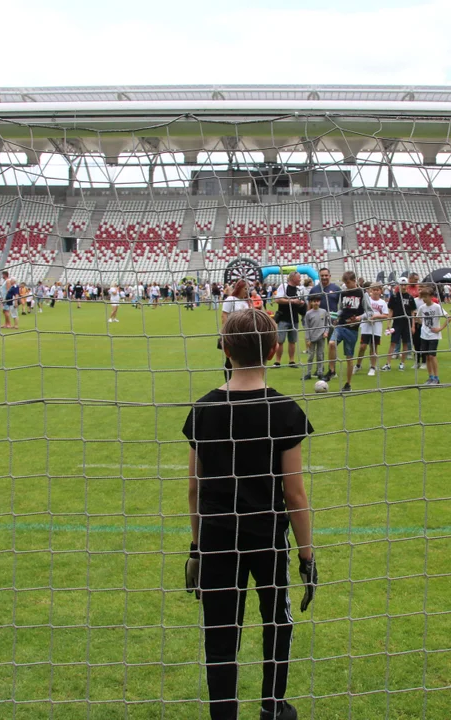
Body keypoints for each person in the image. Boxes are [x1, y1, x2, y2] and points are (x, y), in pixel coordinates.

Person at [183, 309, 316, 720]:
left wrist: (197, 549)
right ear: (275, 350)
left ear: (224, 348)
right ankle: (273, 706)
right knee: (277, 620)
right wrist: (308, 556)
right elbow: (294, 494)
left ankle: (224, 713)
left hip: (219, 539)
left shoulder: (203, 410)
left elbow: (194, 490)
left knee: (221, 633)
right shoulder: (285, 410)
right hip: (267, 537)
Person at [325, 271, 364, 391]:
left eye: (348, 282)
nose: (346, 285)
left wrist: (359, 318)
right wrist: (337, 316)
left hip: (352, 329)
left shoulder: (361, 293)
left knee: (349, 358)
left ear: (354, 280)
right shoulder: (343, 293)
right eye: (345, 283)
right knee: (331, 343)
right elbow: (341, 308)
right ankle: (331, 370)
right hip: (341, 325)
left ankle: (348, 384)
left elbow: (369, 312)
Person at [415, 286, 449, 386]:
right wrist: (423, 324)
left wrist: (440, 328)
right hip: (424, 335)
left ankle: (436, 378)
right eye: (422, 297)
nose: (424, 299)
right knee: (427, 357)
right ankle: (430, 377)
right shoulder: (422, 308)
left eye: (425, 297)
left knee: (432, 356)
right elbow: (417, 318)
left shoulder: (437, 307)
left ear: (431, 296)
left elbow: (448, 318)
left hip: (434, 336)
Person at [219, 280, 253, 380]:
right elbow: (224, 314)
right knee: (230, 358)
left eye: (248, 289)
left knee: (244, 358)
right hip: (232, 333)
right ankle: (229, 382)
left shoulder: (247, 301)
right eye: (245, 289)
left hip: (245, 333)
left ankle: (243, 380)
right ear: (239, 288)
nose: (247, 291)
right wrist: (226, 330)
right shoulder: (231, 299)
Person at [273, 272, 306, 368]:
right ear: (293, 278)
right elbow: (277, 300)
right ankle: (277, 362)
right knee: (280, 341)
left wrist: (301, 303)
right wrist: (292, 301)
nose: (300, 279)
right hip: (283, 318)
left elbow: (299, 302)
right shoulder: (283, 286)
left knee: (292, 341)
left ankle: (291, 361)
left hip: (294, 318)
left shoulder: (299, 289)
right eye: (299, 277)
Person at [357, 283, 389, 377]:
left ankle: (372, 367)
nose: (375, 291)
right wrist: (367, 318)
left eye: (377, 290)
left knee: (374, 347)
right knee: (362, 346)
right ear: (370, 290)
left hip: (376, 329)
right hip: (366, 327)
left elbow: (385, 315)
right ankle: (358, 365)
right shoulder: (367, 300)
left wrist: (376, 316)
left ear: (380, 291)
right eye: (373, 290)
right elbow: (362, 312)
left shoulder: (383, 303)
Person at [384, 278, 415, 371]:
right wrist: (388, 322)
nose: (403, 286)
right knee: (393, 343)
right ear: (398, 285)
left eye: (405, 285)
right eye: (401, 285)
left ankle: (402, 363)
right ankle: (388, 364)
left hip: (407, 323)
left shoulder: (410, 297)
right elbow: (391, 310)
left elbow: (413, 312)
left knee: (405, 343)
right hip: (397, 322)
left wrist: (413, 325)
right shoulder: (394, 296)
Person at [302, 295, 330, 381]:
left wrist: (326, 332)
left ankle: (320, 373)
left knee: (320, 355)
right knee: (310, 355)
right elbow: (307, 327)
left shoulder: (324, 311)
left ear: (320, 302)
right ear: (311, 302)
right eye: (314, 301)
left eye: (317, 301)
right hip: (312, 337)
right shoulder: (308, 313)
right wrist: (308, 339)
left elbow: (327, 324)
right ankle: (308, 373)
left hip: (321, 337)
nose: (316, 303)